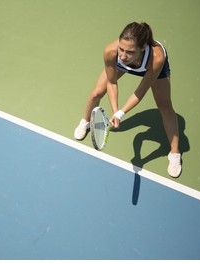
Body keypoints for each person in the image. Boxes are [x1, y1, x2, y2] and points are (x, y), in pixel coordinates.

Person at [74, 22, 182, 178]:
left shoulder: (156, 57)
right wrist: (115, 110)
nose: (123, 56)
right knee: (96, 94)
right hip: (123, 67)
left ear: (143, 47)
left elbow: (141, 91)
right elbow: (112, 83)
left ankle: (175, 153)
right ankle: (85, 121)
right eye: (121, 49)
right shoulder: (111, 52)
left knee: (165, 106)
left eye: (130, 52)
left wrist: (121, 114)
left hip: (151, 70)